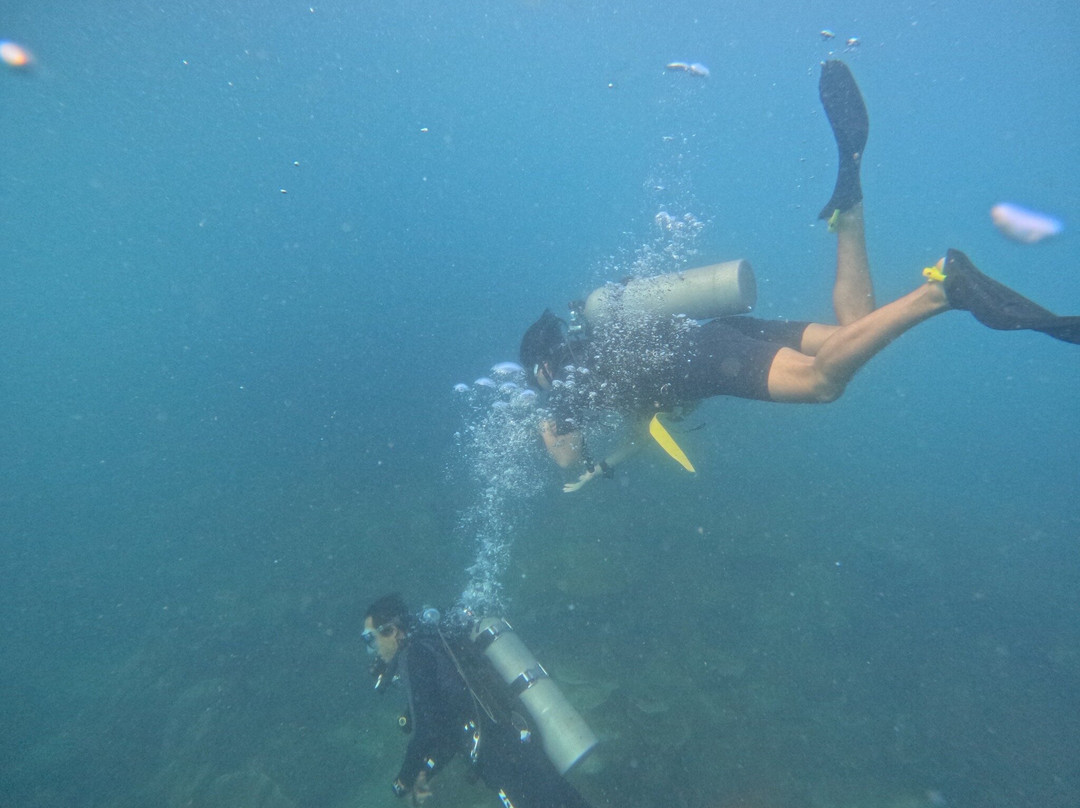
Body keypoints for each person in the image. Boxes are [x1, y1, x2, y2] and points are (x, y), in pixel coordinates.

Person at [520, 61, 1080, 493]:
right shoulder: (603, 354)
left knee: (821, 384)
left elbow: (562, 449)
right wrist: (609, 457)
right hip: (715, 335)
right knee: (853, 333)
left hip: (705, 358)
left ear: (542, 367)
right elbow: (644, 415)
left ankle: (942, 290)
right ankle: (848, 212)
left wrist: (572, 459)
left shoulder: (566, 384)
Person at [362, 594, 594, 808]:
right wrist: (425, 772)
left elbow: (427, 730)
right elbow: (447, 730)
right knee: (563, 799)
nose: (372, 649)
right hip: (515, 737)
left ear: (391, 630)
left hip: (500, 755)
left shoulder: (413, 656)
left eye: (370, 639)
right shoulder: (433, 643)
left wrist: (403, 780)